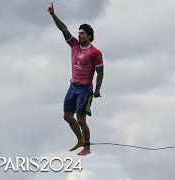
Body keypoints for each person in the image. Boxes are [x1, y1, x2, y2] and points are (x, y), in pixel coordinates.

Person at [48, 2, 104, 156]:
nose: (79, 35)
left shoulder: (95, 52)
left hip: (85, 90)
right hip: (73, 86)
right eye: (78, 33)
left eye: (82, 33)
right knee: (67, 116)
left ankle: (87, 146)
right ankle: (80, 140)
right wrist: (53, 15)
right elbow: (63, 29)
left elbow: (100, 72)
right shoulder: (74, 45)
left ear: (89, 36)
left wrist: (97, 90)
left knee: (81, 120)